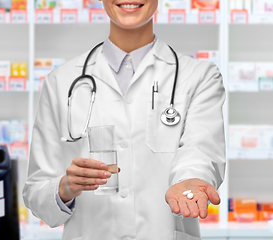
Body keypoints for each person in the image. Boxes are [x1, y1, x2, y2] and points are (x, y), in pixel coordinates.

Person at [22, 0, 226, 238]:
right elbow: (36, 193)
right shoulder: (61, 81)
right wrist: (65, 187)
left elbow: (200, 151)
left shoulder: (199, 76)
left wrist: (191, 179)